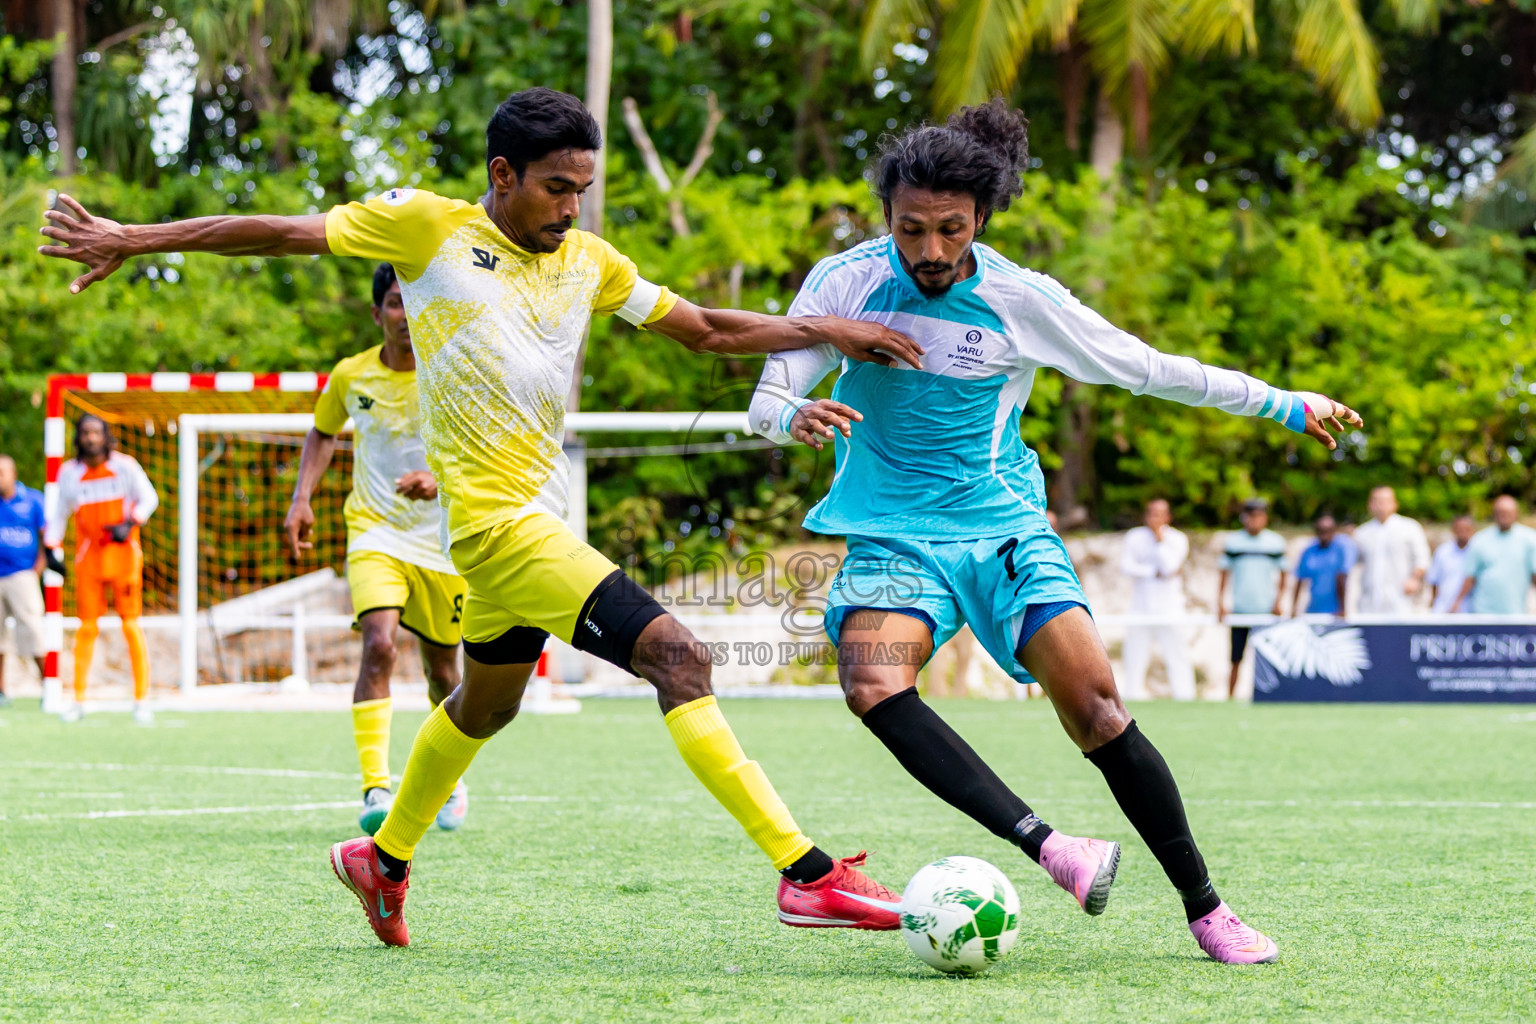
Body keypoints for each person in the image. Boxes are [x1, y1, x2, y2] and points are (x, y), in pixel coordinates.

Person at [40, 87, 927, 947]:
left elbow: (705, 330)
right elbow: (279, 232)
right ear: (502, 174)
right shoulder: (428, 227)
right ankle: (806, 874)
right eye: (556, 188)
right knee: (679, 656)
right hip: (498, 530)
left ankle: (379, 856)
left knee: (483, 706)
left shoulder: (590, 261)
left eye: (583, 189)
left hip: (536, 527)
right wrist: (132, 237)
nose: (573, 208)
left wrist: (826, 329)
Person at [747, 99, 1361, 964]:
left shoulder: (1020, 299)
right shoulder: (843, 281)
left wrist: (1283, 403)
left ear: (982, 220)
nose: (928, 251)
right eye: (910, 228)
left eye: (949, 230)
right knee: (872, 684)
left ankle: (1206, 908)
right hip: (890, 534)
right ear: (886, 215)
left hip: (1000, 527)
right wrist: (792, 417)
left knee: (1098, 711)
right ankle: (1051, 847)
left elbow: (1150, 370)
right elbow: (769, 393)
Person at [284, 264, 470, 837]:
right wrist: (302, 498)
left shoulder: (453, 374)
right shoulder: (351, 375)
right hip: (374, 531)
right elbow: (322, 431)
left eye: (414, 304)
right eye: (395, 303)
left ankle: (448, 780)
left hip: (441, 540)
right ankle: (375, 786)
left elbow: (483, 447)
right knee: (380, 644)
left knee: (444, 672)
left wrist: (439, 482)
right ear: (377, 313)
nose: (406, 316)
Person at [45, 416, 159, 723]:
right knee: (86, 629)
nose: (91, 437)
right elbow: (58, 514)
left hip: (124, 559)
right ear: (78, 438)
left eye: (96, 432)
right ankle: (79, 699)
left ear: (106, 436)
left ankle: (141, 699)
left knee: (131, 625)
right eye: (85, 432)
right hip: (89, 561)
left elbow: (150, 498)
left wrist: (130, 522)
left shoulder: (125, 467)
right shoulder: (69, 474)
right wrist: (52, 548)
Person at [1120, 499, 1196, 702]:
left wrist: (1160, 540)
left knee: (1177, 657)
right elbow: (1127, 566)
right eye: (1151, 512)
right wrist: (1153, 572)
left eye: (1159, 513)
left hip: (1170, 609)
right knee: (1134, 658)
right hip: (1140, 608)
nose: (1154, 517)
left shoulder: (1177, 539)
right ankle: (1131, 699)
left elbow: (1171, 567)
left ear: (1168, 517)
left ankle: (1185, 699)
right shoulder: (1134, 537)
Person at [1216, 498, 1287, 699]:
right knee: (1236, 659)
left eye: (1259, 516)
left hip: (1265, 611)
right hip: (1240, 609)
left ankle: (1271, 697)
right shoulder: (1233, 542)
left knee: (1268, 659)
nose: (1254, 521)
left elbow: (1284, 574)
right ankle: (1230, 698)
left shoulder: (1275, 542)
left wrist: (1278, 601)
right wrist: (1221, 602)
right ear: (1244, 517)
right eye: (1251, 516)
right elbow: (1224, 573)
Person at [0, 455, 51, 707]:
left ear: (13, 473)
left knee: (32, 630)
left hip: (22, 574)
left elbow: (47, 537)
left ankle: (49, 686)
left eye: (1, 472)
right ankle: (1, 691)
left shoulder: (32, 500)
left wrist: (36, 571)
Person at [1451, 496, 1536, 614]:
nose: (1504, 516)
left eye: (1508, 513)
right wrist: (1457, 601)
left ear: (1516, 514)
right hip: (1483, 613)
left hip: (1516, 613)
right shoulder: (1479, 540)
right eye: (1500, 513)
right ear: (1494, 514)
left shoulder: (1529, 539)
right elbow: (1470, 577)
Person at [1353, 486, 1430, 614]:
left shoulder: (1409, 528)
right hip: (1369, 602)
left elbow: (1422, 558)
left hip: (1400, 599)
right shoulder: (1361, 533)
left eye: (1384, 501)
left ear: (1394, 504)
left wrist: (1414, 579)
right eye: (1376, 501)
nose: (1380, 505)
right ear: (1370, 505)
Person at [1292, 514, 1354, 618]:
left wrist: (1342, 609)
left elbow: (1341, 578)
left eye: (1328, 530)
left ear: (1334, 531)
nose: (1324, 534)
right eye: (1320, 530)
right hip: (1313, 609)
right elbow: (1300, 580)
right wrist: (1294, 608)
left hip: (1335, 612)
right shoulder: (1309, 550)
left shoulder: (1341, 549)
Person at [1426, 515, 1475, 613]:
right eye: (1459, 529)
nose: (1462, 532)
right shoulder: (1443, 552)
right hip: (1443, 609)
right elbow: (1434, 581)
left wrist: (1458, 602)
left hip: (1469, 611)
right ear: (1453, 530)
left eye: (1466, 529)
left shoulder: (1476, 552)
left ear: (1472, 530)